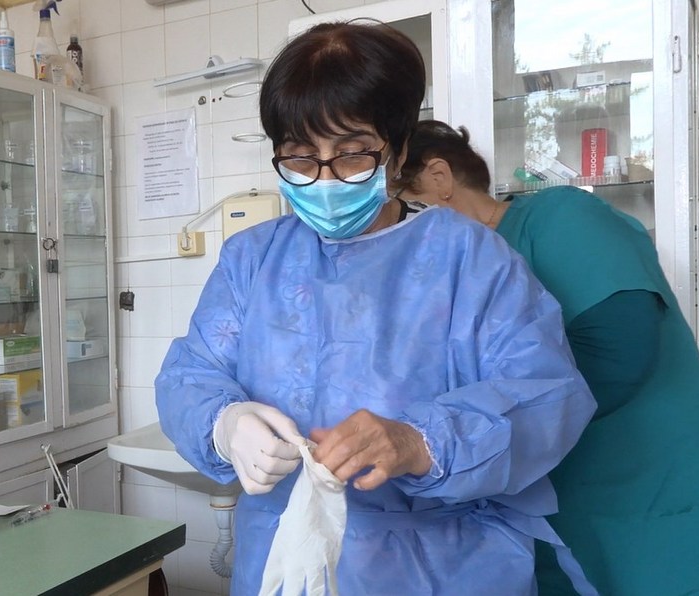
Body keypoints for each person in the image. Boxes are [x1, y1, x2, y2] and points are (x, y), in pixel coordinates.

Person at [155, 22, 598, 594]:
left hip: (444, 564)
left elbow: (545, 395)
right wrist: (224, 423)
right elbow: (190, 375)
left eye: (351, 155)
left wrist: (418, 442)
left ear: (398, 151)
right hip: (285, 559)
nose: (324, 179)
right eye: (300, 157)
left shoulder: (468, 259)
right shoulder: (252, 261)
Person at [391, 120, 699, 596]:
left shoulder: (559, 217)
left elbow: (619, 350)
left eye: (402, 207)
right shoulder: (463, 276)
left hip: (660, 495)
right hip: (573, 511)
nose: (398, 229)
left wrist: (476, 433)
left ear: (439, 177)